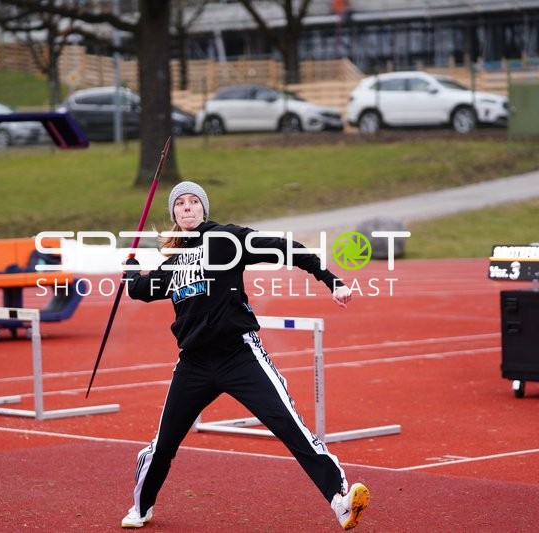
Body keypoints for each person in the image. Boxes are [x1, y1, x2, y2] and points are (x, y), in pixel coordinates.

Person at [119, 181, 369, 530]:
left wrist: (330, 279)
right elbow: (143, 290)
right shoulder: (174, 261)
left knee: (289, 426)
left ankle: (340, 499)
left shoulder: (226, 240)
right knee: (163, 445)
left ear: (204, 210)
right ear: (174, 214)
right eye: (180, 204)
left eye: (194, 202)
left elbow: (286, 248)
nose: (187, 208)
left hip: (239, 355)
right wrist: (129, 269)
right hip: (194, 364)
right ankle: (141, 507)